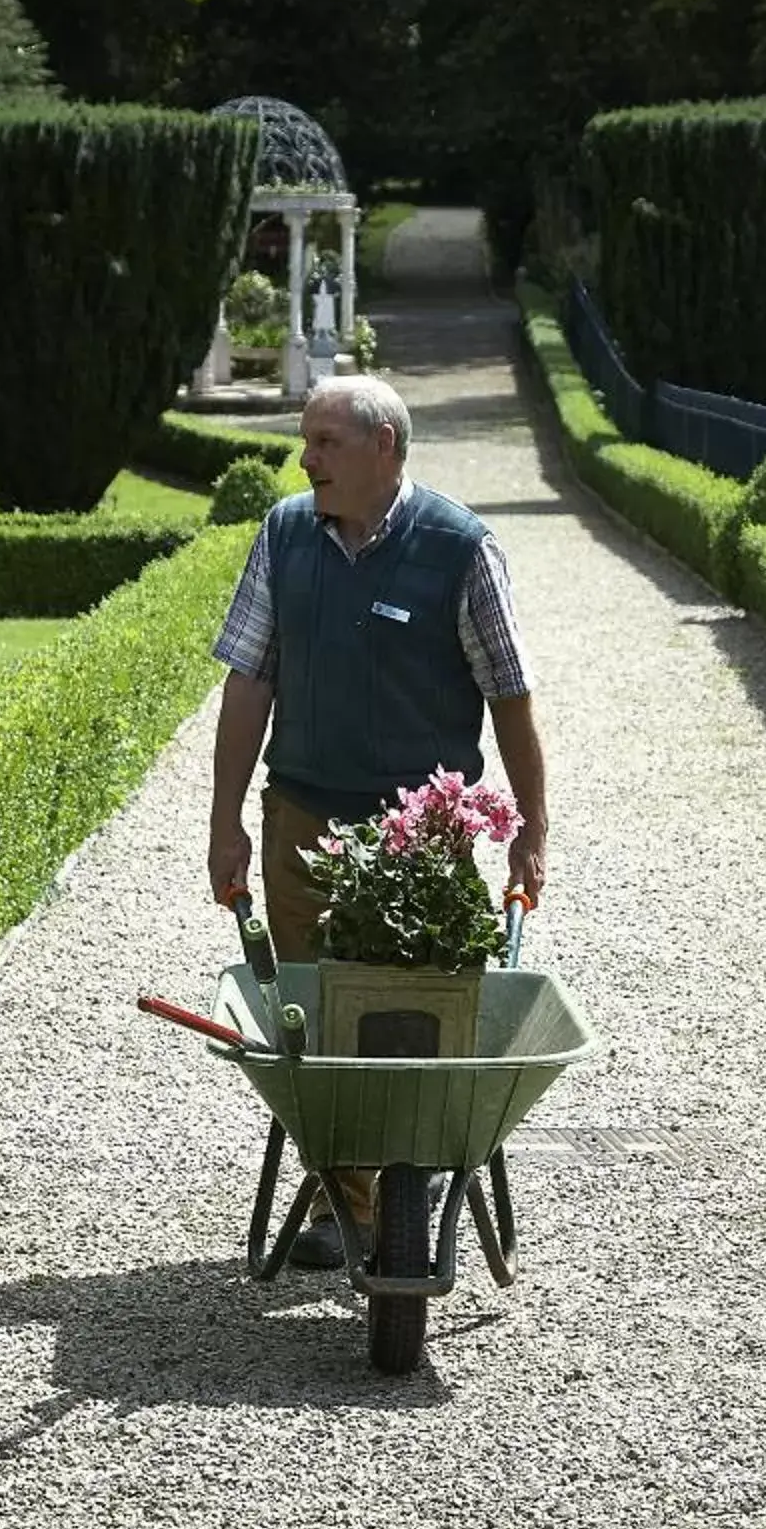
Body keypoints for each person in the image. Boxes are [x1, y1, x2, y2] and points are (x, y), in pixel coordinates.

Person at [204, 374, 549, 1268]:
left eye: (325, 441)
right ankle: (347, 1202)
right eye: (307, 440)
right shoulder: (285, 535)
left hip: (419, 837)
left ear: (385, 446)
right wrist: (226, 820)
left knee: (405, 1015)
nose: (305, 457)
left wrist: (531, 828)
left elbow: (509, 696)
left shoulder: (459, 548)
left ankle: (405, 1168)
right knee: (317, 1020)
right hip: (304, 817)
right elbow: (249, 681)